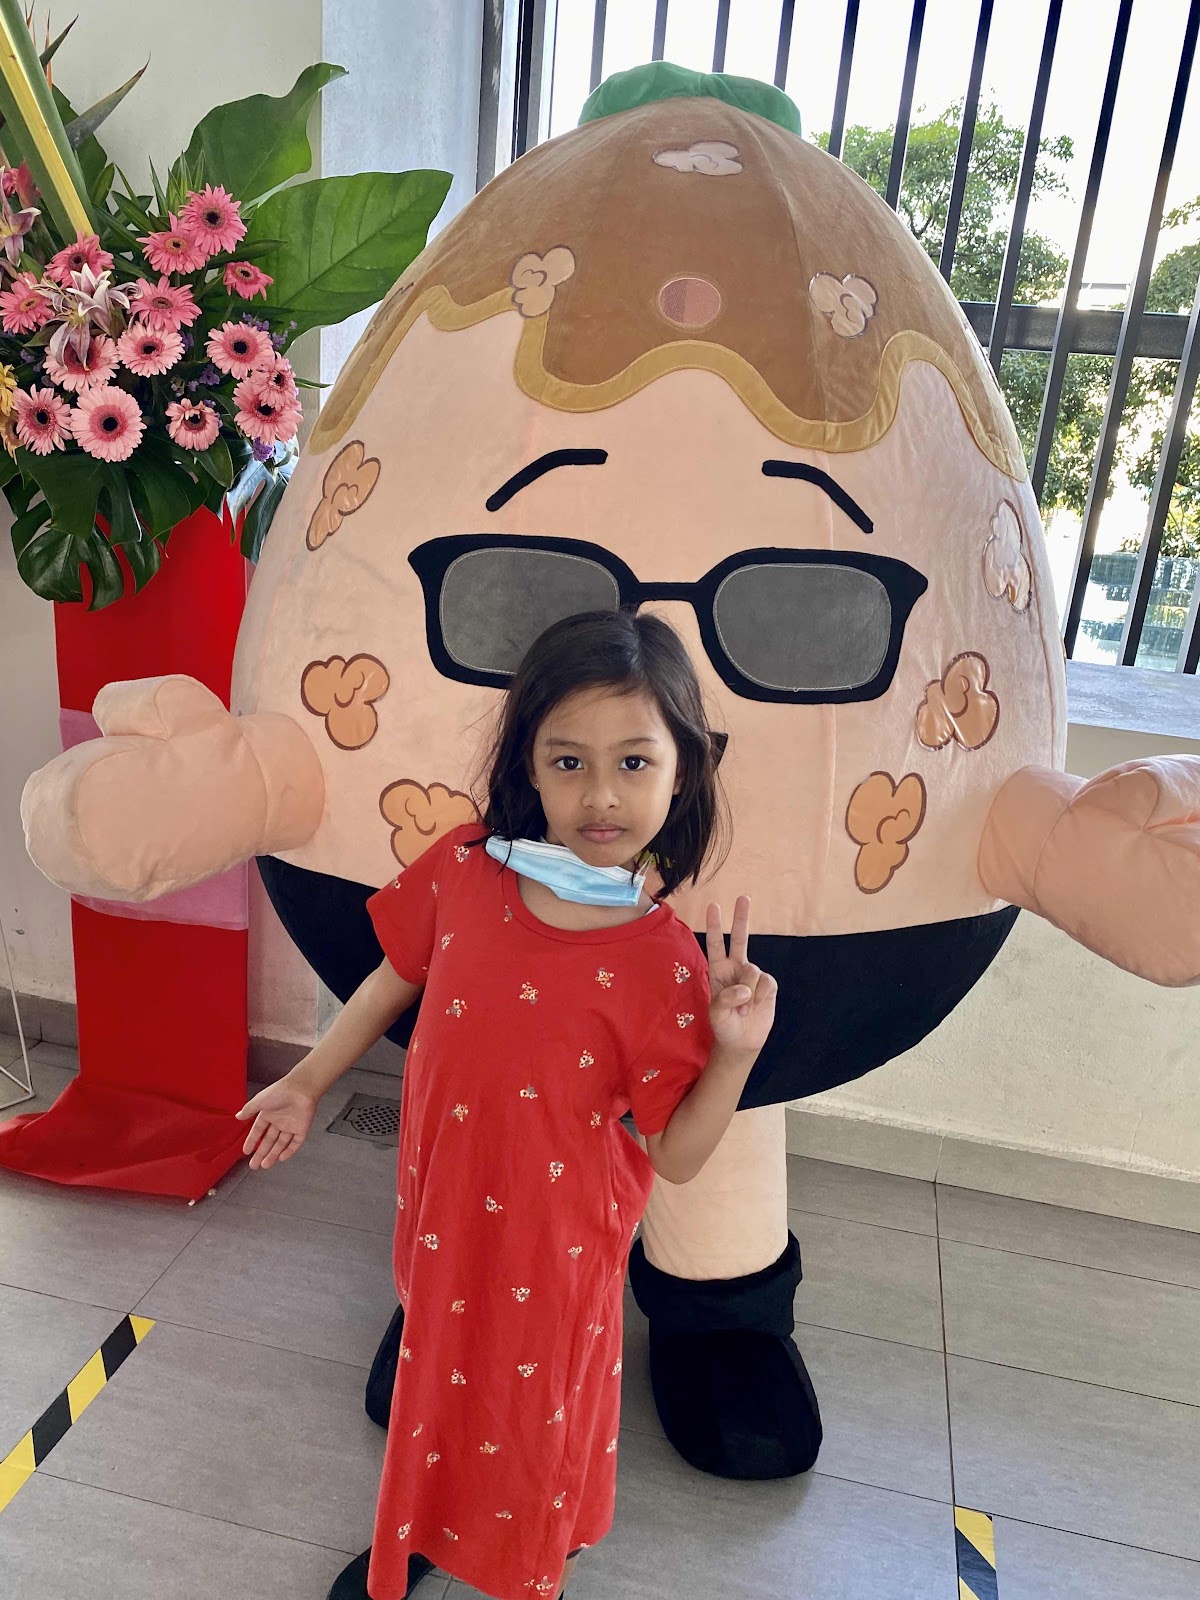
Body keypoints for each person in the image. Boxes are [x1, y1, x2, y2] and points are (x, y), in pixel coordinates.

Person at [234, 609, 778, 1600]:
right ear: (530, 762)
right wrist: (307, 1080)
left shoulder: (663, 962)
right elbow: (393, 978)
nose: (600, 794)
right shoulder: (466, 867)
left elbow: (677, 1153)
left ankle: (529, 1560)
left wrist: (733, 1056)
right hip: (443, 1212)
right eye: (569, 762)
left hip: (554, 1247)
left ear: (684, 771)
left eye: (634, 762)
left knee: (531, 1416)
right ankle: (419, 1535)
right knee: (438, 1382)